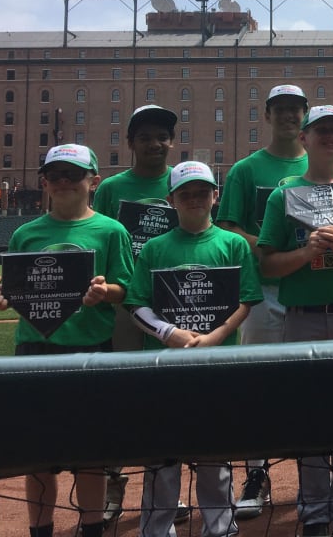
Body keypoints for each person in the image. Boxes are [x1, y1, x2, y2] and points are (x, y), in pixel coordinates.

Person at [0, 144, 134, 537]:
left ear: (94, 181)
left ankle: (90, 529)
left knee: (90, 452)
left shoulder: (111, 230)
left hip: (91, 350)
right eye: (56, 175)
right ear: (45, 183)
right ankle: (41, 530)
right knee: (38, 455)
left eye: (74, 174)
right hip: (34, 351)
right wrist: (1, 297)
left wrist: (107, 292)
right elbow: (15, 292)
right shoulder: (26, 232)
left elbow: (129, 289)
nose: (65, 181)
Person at [257, 104, 333, 537]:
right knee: (309, 416)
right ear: (305, 139)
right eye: (322, 131)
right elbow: (267, 266)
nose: (331, 137)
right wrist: (307, 252)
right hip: (301, 318)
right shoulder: (283, 194)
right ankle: (313, 512)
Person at [126, 161, 261, 537]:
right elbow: (136, 303)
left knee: (215, 455)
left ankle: (220, 527)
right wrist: (168, 333)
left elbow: (246, 300)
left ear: (215, 196)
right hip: (166, 364)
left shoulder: (232, 243)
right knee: (163, 457)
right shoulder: (155, 248)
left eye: (202, 191)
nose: (194, 198)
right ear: (172, 199)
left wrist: (217, 334)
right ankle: (156, 529)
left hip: (217, 362)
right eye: (185, 193)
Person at [216, 84, 310, 518]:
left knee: (315, 386)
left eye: (296, 109)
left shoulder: (319, 162)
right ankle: (256, 474)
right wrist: (276, 250)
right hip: (262, 293)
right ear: (268, 115)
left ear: (304, 116)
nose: (289, 116)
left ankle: (317, 476)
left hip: (311, 293)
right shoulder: (246, 169)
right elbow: (229, 228)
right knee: (257, 385)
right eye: (282, 109)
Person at [92, 103, 184, 524]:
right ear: (130, 143)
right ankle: (114, 489)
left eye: (162, 136)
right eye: (145, 136)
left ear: (172, 141)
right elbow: (103, 241)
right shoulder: (113, 188)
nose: (155, 143)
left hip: (177, 303)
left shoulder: (186, 180)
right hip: (127, 305)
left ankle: (168, 493)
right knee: (120, 396)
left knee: (168, 398)